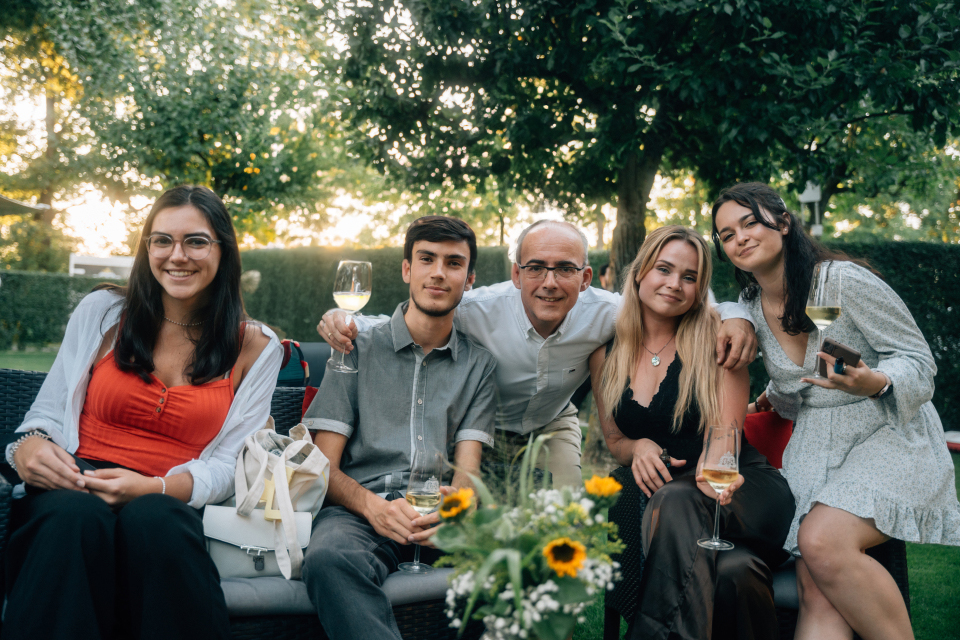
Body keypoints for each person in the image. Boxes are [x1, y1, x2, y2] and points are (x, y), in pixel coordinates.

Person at [3, 185, 283, 640]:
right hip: (77, 480)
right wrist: (26, 447)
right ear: (146, 248)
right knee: (75, 519)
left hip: (169, 494)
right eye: (161, 240)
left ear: (223, 250)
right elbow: (47, 412)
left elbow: (230, 466)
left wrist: (155, 486)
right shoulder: (104, 311)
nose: (177, 256)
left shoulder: (256, 345)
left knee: (157, 523)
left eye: (195, 241)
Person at [318, 219, 758, 488]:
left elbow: (684, 298)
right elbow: (414, 316)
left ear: (586, 277)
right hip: (477, 429)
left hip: (552, 422)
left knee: (563, 530)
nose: (550, 282)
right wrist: (341, 318)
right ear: (516, 273)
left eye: (565, 269)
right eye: (536, 268)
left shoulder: (610, 314)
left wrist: (738, 314)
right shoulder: (477, 312)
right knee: (474, 529)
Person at [712, 182, 960, 640]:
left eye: (750, 222)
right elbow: (799, 385)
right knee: (816, 585)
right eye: (727, 234)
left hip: (886, 434)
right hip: (818, 450)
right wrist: (769, 397)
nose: (740, 237)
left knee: (821, 541)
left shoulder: (840, 282)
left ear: (783, 222)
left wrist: (877, 382)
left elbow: (920, 362)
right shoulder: (747, 307)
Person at [589, 225, 794, 640]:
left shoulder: (719, 339)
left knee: (677, 496)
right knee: (736, 573)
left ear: (700, 289)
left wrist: (712, 472)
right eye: (664, 269)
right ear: (640, 272)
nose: (674, 284)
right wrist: (638, 446)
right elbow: (614, 441)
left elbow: (725, 439)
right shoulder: (605, 353)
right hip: (679, 515)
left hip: (743, 492)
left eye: (689, 277)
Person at [299, 216, 497, 640]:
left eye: (453, 263)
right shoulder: (353, 349)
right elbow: (321, 465)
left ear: (470, 278)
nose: (439, 272)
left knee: (515, 557)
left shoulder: (480, 366)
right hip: (359, 512)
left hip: (440, 515)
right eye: (426, 259)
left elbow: (469, 471)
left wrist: (458, 506)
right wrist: (374, 507)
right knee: (327, 558)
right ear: (407, 270)